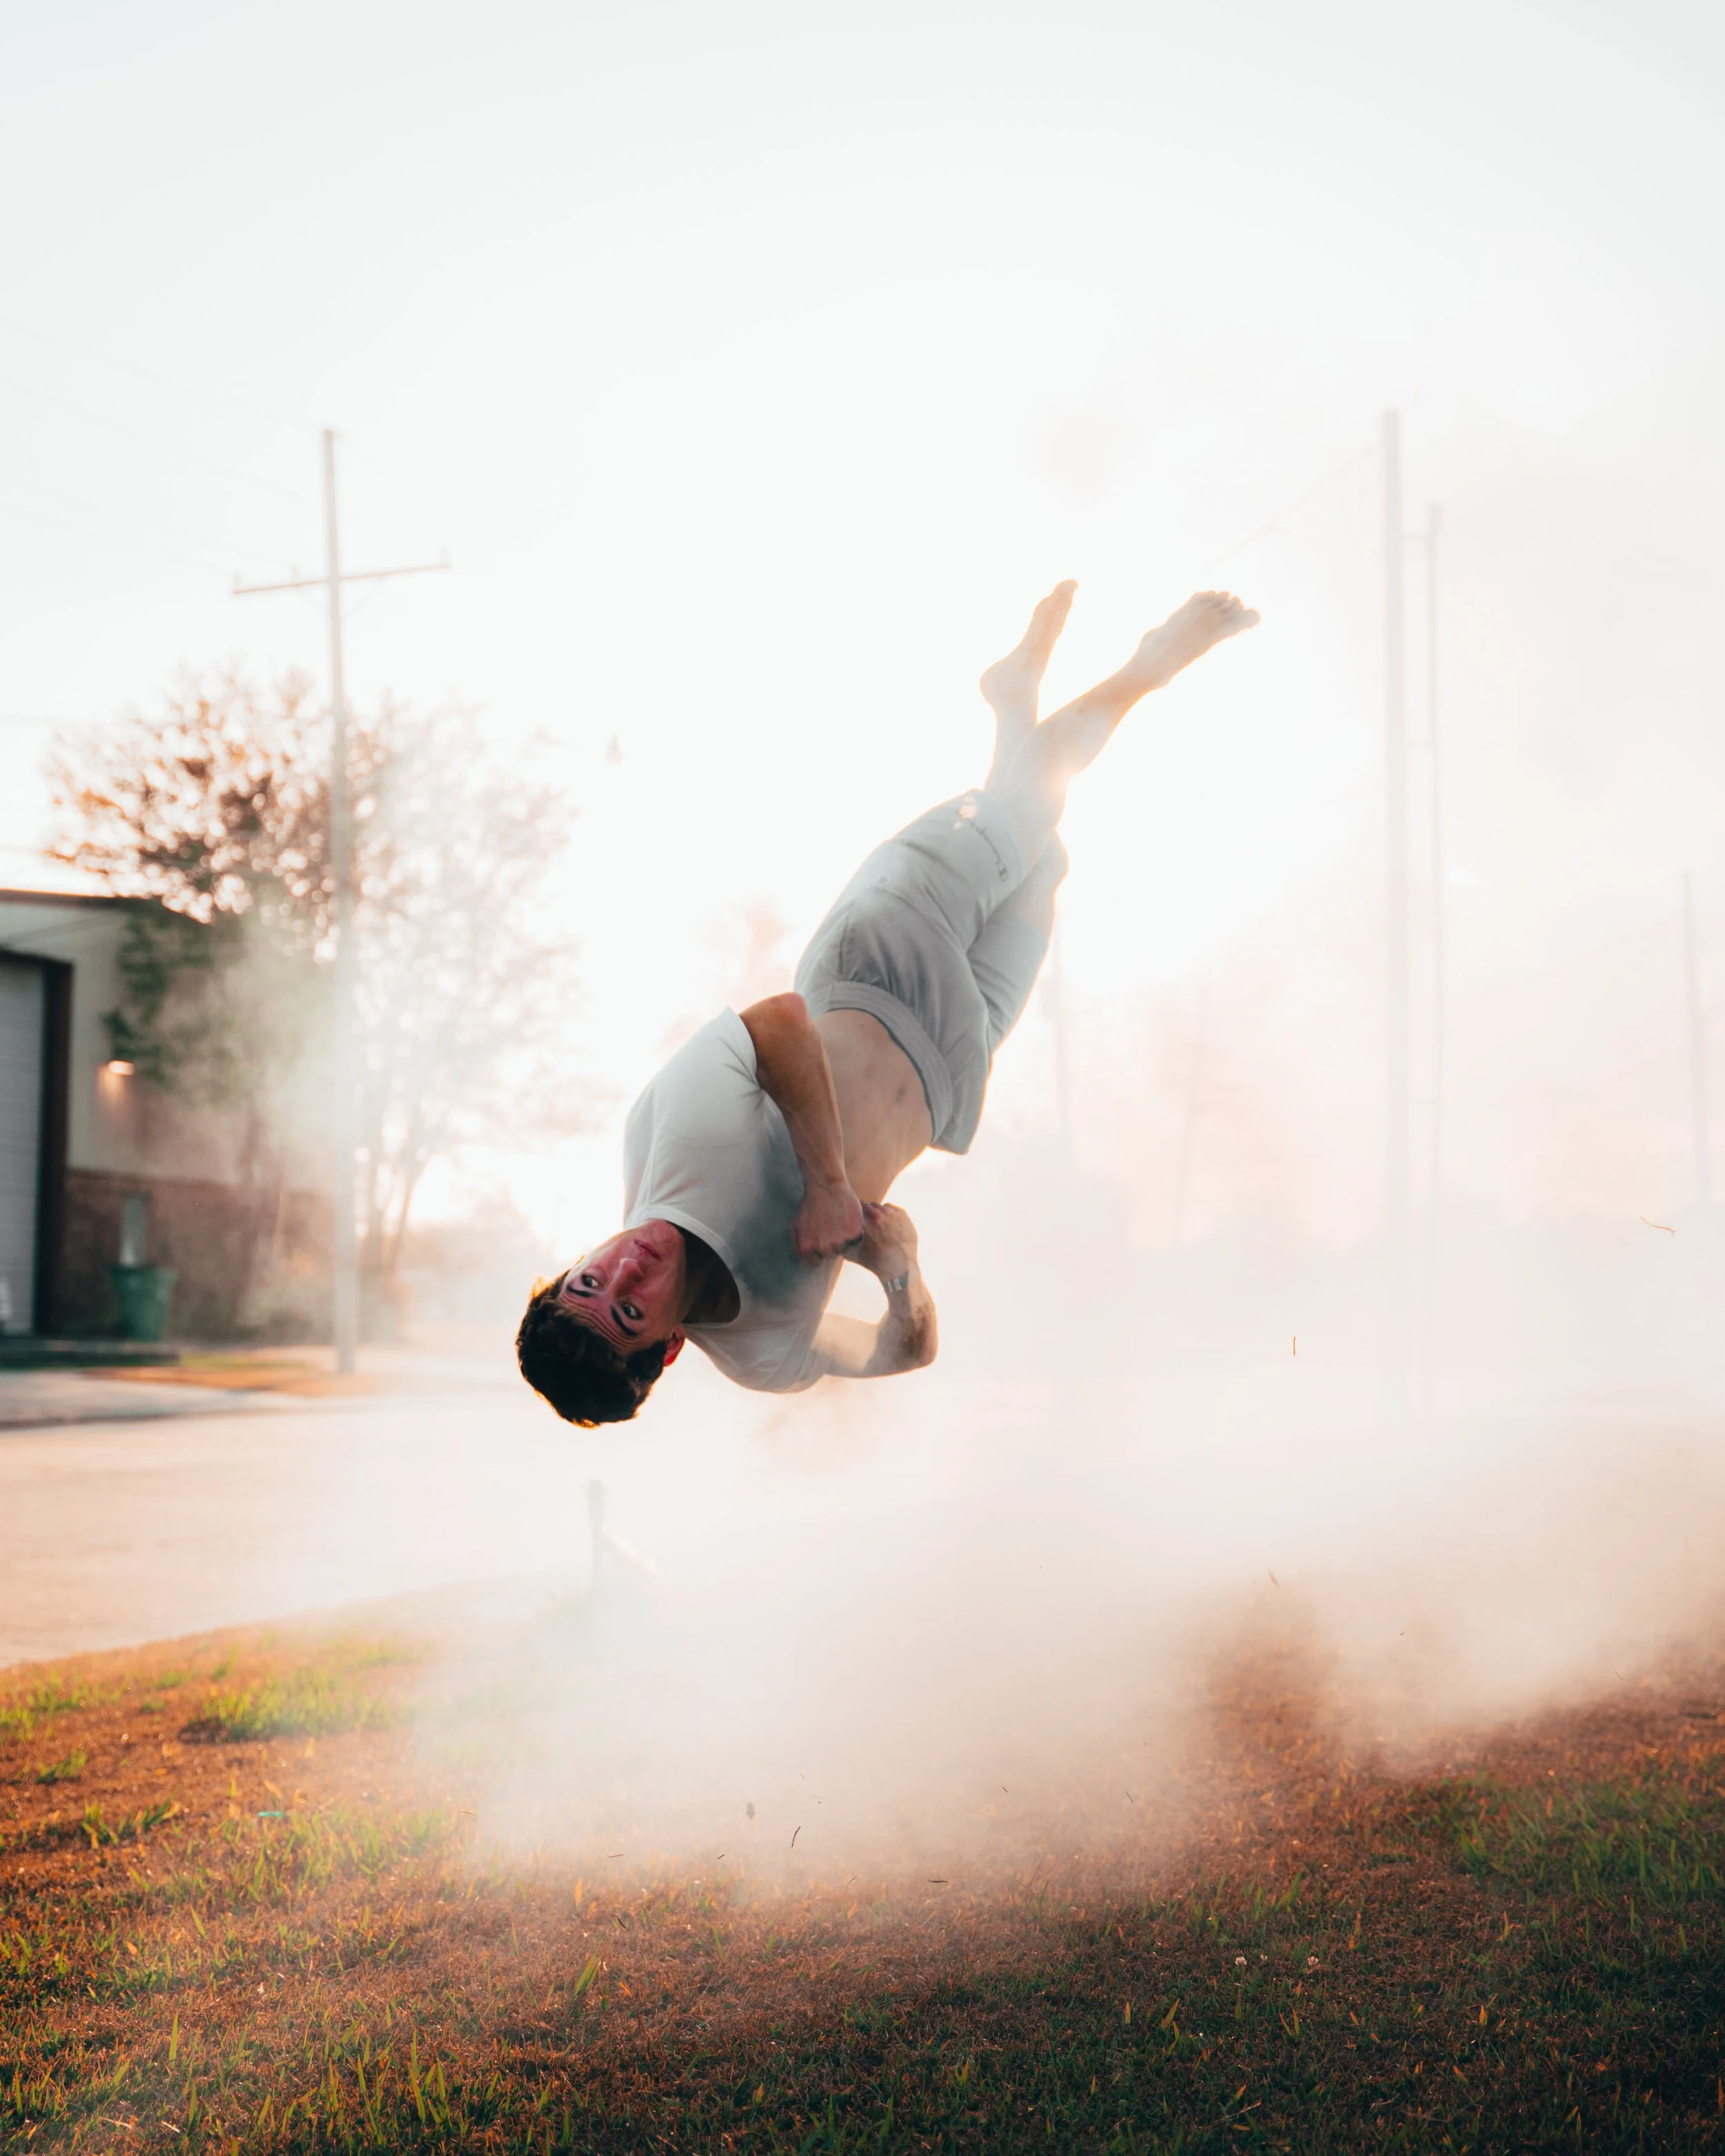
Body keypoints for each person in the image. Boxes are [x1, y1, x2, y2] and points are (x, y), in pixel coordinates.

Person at [517, 584, 1258, 1425]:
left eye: (587, 1278)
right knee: (1041, 854)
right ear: (668, 1345)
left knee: (1040, 792)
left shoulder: (663, 1148)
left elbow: (777, 1021)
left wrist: (828, 1184)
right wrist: (900, 1272)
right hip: (958, 1056)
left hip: (879, 958)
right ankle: (1011, 696)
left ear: (572, 1261)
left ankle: (1156, 658)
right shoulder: (764, 1352)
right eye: (626, 1310)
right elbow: (904, 1351)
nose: (623, 1271)